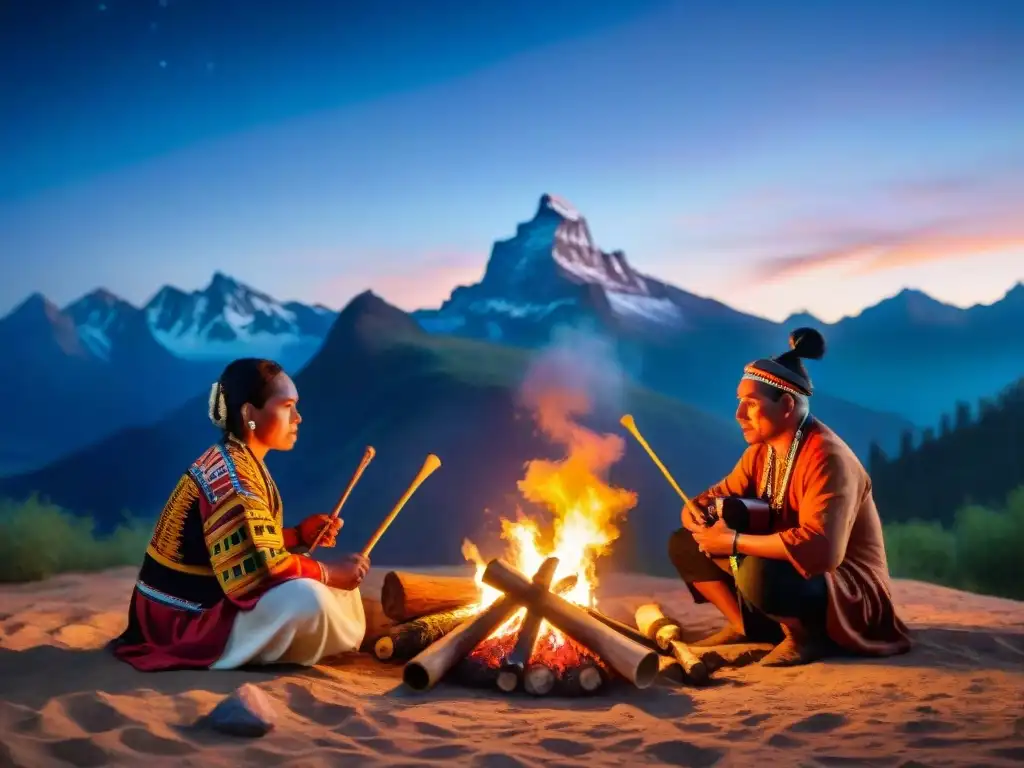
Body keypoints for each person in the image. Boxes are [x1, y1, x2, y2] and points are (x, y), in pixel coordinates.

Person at [667, 328, 912, 667]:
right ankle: (746, 626)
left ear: (786, 405)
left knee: (759, 569)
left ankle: (805, 638)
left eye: (750, 404)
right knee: (686, 541)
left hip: (845, 591)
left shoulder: (828, 459)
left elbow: (823, 550)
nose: (739, 414)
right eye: (739, 402)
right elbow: (713, 498)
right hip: (787, 573)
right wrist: (695, 514)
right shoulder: (761, 453)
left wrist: (735, 541)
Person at [111, 358, 370, 672]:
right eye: (288, 406)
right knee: (310, 597)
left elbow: (240, 546)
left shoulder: (237, 459)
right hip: (184, 618)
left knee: (333, 591)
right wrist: (328, 572)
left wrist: (299, 536)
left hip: (200, 600)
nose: (298, 418)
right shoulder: (235, 482)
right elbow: (261, 569)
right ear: (249, 414)